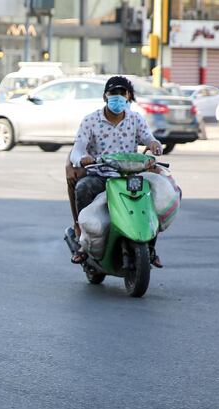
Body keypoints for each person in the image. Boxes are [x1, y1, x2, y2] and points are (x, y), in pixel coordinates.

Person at [67, 75, 164, 267]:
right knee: (83, 188)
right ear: (105, 96)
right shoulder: (91, 121)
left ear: (128, 96)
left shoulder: (136, 119)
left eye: (122, 93)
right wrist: (81, 159)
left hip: (130, 177)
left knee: (155, 197)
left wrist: (154, 145)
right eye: (113, 93)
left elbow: (149, 138)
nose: (118, 97)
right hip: (101, 175)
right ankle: (84, 243)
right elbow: (77, 150)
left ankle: (150, 247)